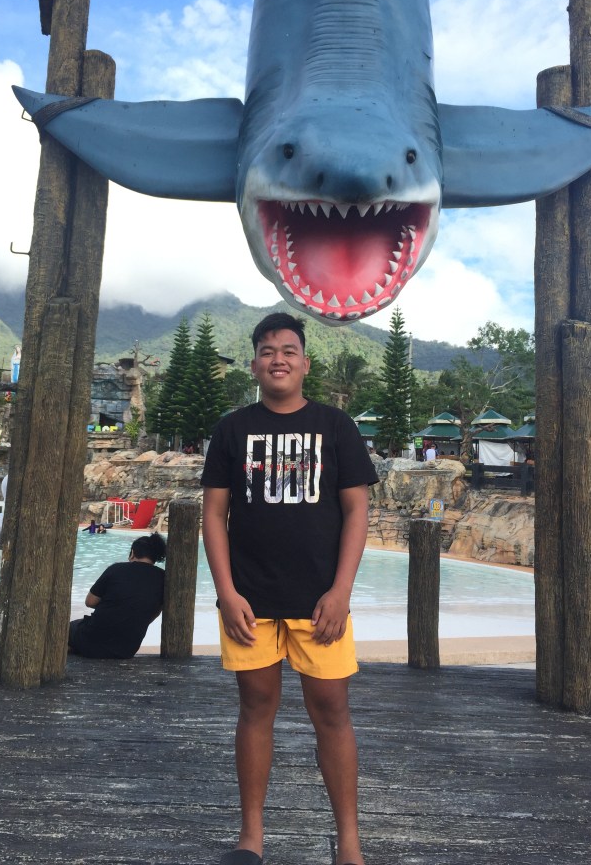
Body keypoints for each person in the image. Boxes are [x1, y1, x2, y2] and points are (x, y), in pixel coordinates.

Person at [201, 312, 378, 865]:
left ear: (305, 363)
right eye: (267, 351)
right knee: (255, 707)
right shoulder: (232, 430)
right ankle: (251, 837)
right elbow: (214, 515)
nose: (278, 359)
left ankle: (349, 843)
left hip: (319, 599)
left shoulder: (336, 426)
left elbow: (357, 511)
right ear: (255, 364)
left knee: (332, 711)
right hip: (249, 600)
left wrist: (341, 591)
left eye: (288, 350)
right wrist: (226, 593)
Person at [68, 532, 166, 659]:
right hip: (126, 649)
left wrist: (113, 604)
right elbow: (153, 612)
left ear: (132, 553)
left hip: (92, 640)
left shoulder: (116, 569)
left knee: (69, 628)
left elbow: (90, 602)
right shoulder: (163, 577)